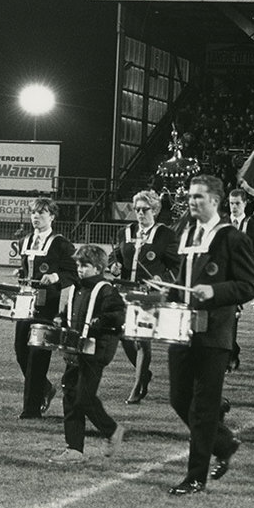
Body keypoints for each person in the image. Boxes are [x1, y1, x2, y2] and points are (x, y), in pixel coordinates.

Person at [167, 175, 254, 495]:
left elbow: (250, 286)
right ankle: (224, 442)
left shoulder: (232, 238)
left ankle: (195, 477)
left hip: (214, 334)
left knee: (204, 408)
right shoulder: (188, 232)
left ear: (215, 201)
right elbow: (181, 280)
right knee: (178, 398)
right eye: (190, 196)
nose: (192, 202)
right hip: (182, 329)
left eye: (199, 197)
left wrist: (215, 291)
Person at [49, 245, 126, 464]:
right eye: (78, 265)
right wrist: (60, 319)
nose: (80, 269)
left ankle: (112, 431)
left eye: (85, 265)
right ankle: (74, 449)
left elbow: (118, 315)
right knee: (71, 394)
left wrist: (101, 321)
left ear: (99, 268)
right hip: (76, 348)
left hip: (96, 349)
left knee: (83, 397)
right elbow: (69, 312)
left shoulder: (106, 289)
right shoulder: (76, 288)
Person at [110, 190, 180, 404]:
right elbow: (117, 254)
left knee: (142, 341)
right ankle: (144, 374)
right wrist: (114, 264)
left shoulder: (166, 234)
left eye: (144, 209)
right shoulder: (126, 231)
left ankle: (137, 387)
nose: (140, 213)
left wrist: (162, 277)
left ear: (155, 210)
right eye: (137, 209)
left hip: (149, 294)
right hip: (125, 291)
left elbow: (178, 265)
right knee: (124, 335)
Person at [13, 198, 77, 419]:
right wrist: (20, 274)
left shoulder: (61, 243)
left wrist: (56, 276)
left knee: (37, 357)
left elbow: (74, 273)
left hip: (47, 307)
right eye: (33, 213)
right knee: (20, 351)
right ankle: (46, 388)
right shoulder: (25, 241)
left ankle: (31, 410)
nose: (36, 217)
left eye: (42, 213)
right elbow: (26, 270)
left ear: (52, 217)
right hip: (24, 305)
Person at [227, 188, 254, 372]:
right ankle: (230, 354)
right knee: (228, 316)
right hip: (225, 278)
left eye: (237, 204)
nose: (234, 207)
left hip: (244, 278)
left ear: (245, 204)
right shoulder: (222, 224)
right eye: (231, 203)